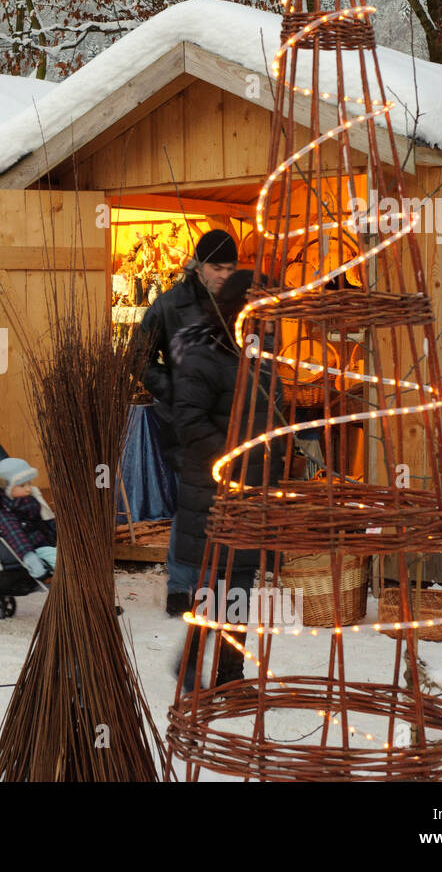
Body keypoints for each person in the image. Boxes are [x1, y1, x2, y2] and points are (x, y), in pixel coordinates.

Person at [171, 269, 285, 686]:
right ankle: (191, 664)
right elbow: (189, 420)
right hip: (215, 487)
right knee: (214, 580)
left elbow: (270, 416)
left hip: (254, 489)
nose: (275, 315)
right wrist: (231, 457)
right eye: (268, 306)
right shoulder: (206, 356)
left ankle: (229, 674)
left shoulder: (265, 355)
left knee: (239, 583)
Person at [136, 228, 238, 616]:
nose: (223, 275)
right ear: (198, 266)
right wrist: (176, 391)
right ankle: (181, 585)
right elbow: (138, 360)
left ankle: (221, 583)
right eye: (216, 266)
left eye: (230, 267)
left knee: (226, 499)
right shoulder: (168, 306)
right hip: (184, 420)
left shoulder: (239, 303)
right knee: (191, 501)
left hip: (229, 417)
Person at [0, 457, 57, 580]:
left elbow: (47, 522)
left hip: (47, 542)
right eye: (22, 485)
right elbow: (15, 535)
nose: (28, 488)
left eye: (29, 483)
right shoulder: (4, 511)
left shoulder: (30, 500)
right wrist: (30, 557)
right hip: (34, 550)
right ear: (6, 489)